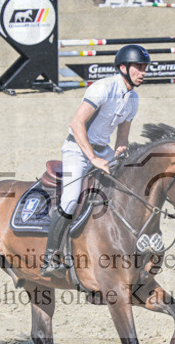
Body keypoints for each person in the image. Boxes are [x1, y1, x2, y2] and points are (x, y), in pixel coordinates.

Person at [41, 45, 151, 278]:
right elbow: (76, 123)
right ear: (123, 68)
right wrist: (93, 158)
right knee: (71, 199)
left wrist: (122, 153)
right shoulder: (103, 88)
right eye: (139, 67)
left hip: (103, 152)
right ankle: (50, 257)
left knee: (131, 187)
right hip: (78, 150)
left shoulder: (133, 98)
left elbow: (122, 138)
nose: (143, 72)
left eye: (144, 68)